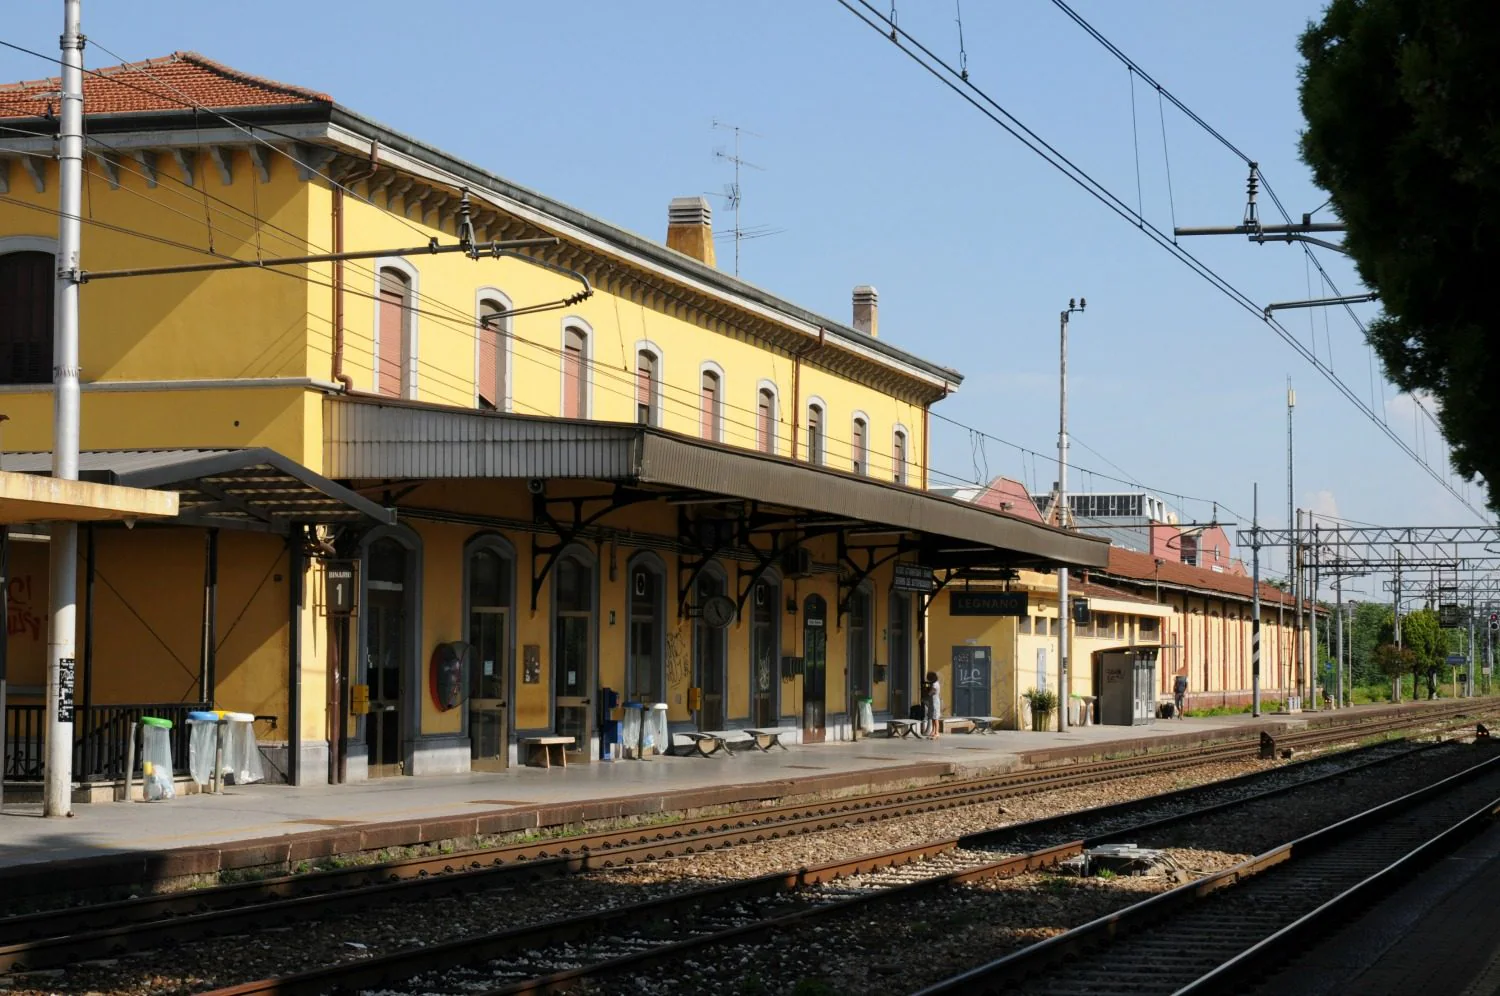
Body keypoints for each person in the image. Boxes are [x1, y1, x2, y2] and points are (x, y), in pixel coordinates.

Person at [923, 671, 943, 739]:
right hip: (932, 702)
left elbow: (931, 692)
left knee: (935, 718)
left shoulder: (935, 684)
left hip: (935, 703)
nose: (928, 680)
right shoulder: (935, 683)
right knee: (932, 717)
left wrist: (927, 691)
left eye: (929, 679)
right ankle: (933, 731)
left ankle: (937, 733)